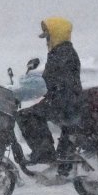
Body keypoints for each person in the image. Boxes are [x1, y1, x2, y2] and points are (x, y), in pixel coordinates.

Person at [16, 17, 82, 173]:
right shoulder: (60, 52)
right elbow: (51, 79)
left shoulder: (63, 53)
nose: (46, 41)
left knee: (26, 116)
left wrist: (32, 88)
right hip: (63, 101)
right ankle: (54, 158)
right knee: (32, 113)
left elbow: (53, 80)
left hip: (65, 103)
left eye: (48, 36)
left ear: (56, 35)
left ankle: (44, 153)